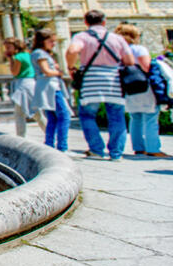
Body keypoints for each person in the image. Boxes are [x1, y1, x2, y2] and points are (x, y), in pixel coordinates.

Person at [65, 10, 134, 160]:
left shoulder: (81, 36)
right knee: (117, 117)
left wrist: (71, 67)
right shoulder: (117, 38)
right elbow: (129, 61)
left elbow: (72, 50)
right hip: (114, 82)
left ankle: (96, 150)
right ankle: (116, 153)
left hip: (90, 82)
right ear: (104, 21)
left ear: (86, 22)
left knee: (88, 116)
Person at [116, 24, 165, 158]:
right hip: (143, 86)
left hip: (128, 87)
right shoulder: (138, 49)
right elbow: (146, 66)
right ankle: (153, 148)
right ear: (134, 36)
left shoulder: (117, 51)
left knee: (135, 117)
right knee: (150, 117)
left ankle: (139, 148)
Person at [31, 29, 71, 152]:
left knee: (53, 117)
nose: (53, 44)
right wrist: (59, 72)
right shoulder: (40, 53)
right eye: (51, 41)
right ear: (42, 41)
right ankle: (62, 146)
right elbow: (46, 71)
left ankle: (49, 143)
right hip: (51, 87)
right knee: (64, 115)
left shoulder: (40, 53)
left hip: (48, 86)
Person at [4, 37, 37, 137]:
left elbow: (14, 72)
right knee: (35, 113)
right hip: (31, 82)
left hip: (23, 84)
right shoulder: (28, 55)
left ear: (15, 47)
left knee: (20, 114)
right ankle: (50, 135)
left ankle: (20, 137)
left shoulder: (18, 57)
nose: (7, 50)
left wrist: (10, 59)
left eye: (8, 47)